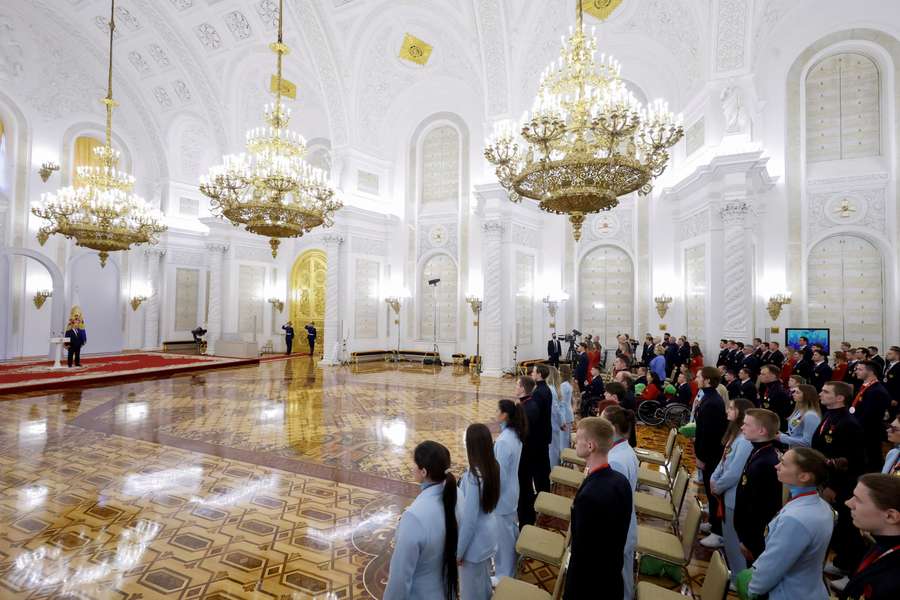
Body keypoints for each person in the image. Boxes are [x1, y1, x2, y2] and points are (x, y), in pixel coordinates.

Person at [744, 447, 834, 600]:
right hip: (809, 588)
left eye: (783, 464)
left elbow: (773, 565)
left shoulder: (795, 519)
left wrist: (752, 588)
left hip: (788, 592)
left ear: (804, 476)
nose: (776, 466)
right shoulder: (822, 506)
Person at [565, 417, 632, 600]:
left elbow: (583, 554)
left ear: (590, 446)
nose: (574, 441)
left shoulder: (590, 497)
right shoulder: (620, 481)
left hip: (589, 587)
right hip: (611, 578)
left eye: (578, 438)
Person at [384, 441, 458, 600]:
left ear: (423, 472)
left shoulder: (414, 517)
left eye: (415, 464)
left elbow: (400, 577)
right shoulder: (456, 495)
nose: (412, 468)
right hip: (445, 589)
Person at [813, 381, 867, 587]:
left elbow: (853, 460)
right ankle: (841, 561)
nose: (821, 393)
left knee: (847, 527)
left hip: (840, 484)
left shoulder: (848, 423)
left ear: (840, 398)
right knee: (837, 527)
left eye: (826, 392)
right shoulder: (829, 415)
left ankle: (853, 572)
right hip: (826, 479)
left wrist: (833, 486)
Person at [708, 398, 755, 576]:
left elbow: (735, 472)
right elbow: (724, 460)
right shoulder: (735, 435)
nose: (727, 410)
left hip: (733, 497)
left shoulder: (744, 441)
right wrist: (714, 478)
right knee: (729, 540)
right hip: (725, 492)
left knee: (733, 542)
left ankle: (738, 576)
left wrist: (717, 486)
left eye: (732, 408)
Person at [734, 408, 784, 562]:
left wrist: (750, 542)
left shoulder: (766, 462)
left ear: (762, 431)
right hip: (745, 531)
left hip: (753, 536)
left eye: (747, 425)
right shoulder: (759, 451)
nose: (742, 427)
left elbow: (763, 507)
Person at [456, 424, 500, 600]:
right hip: (489, 535)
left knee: (469, 592)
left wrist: (459, 552)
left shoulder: (474, 477)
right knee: (483, 584)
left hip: (474, 544)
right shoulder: (493, 466)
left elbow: (469, 521)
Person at [840, 474, 900, 600]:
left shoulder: (893, 579)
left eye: (858, 499)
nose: (848, 503)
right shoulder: (881, 545)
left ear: (890, 516)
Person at [601, 405, 639, 600]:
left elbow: (611, 504)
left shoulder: (616, 461)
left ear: (613, 428)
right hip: (624, 525)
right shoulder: (624, 450)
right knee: (623, 576)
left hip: (617, 529)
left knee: (619, 580)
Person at [695, 367, 729, 544]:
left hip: (710, 455)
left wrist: (702, 456)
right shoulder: (707, 397)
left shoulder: (712, 402)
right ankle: (713, 524)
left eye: (699, 376)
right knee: (709, 491)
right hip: (707, 453)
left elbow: (709, 434)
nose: (696, 379)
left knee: (713, 492)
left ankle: (718, 531)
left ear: (708, 380)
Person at [493, 400, 524, 580]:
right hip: (512, 490)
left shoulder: (504, 441)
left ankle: (504, 574)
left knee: (503, 537)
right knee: (510, 531)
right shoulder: (514, 433)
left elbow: (501, 475)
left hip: (503, 495)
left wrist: (491, 495)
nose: (495, 412)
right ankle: (512, 565)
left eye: (498, 410)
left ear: (504, 414)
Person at [852, 360, 893, 473]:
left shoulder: (877, 391)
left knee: (871, 461)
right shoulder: (866, 387)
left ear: (870, 372)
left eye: (860, 369)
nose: (856, 371)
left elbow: (869, 417)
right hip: (862, 430)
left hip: (869, 433)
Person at [515, 376, 542, 527]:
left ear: (523, 389)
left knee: (524, 487)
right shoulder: (528, 404)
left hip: (526, 454)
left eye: (517, 385)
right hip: (528, 452)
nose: (515, 387)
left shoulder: (527, 408)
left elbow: (524, 433)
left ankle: (526, 521)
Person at [529, 364, 554, 487]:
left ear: (539, 374)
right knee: (543, 464)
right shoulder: (545, 388)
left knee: (539, 467)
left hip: (538, 435)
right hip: (544, 432)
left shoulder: (538, 392)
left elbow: (535, 415)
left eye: (533, 372)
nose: (532, 374)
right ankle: (544, 488)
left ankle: (542, 492)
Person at [779, 384, 822, 448]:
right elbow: (794, 433)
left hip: (803, 454)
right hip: (794, 450)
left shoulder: (811, 415)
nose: (793, 394)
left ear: (807, 395)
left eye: (797, 392)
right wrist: (781, 435)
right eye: (794, 392)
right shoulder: (799, 411)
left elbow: (808, 442)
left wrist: (782, 438)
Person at [550, 366, 575, 467]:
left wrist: (562, 420)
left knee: (563, 442)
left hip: (565, 416)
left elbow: (562, 403)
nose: (558, 373)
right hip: (567, 414)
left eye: (560, 371)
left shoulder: (564, 385)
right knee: (564, 439)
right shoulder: (567, 384)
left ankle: (565, 462)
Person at [759, 365, 792, 430]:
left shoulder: (779, 391)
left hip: (774, 426)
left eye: (763, 374)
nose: (760, 376)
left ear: (773, 376)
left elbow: (782, 413)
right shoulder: (768, 387)